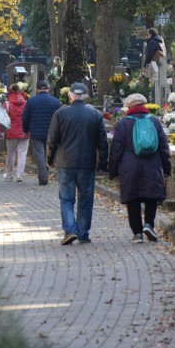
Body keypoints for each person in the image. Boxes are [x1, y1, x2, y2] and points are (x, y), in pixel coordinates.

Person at [47, 82, 108, 245]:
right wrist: (103, 163)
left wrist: (50, 159)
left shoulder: (60, 114)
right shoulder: (95, 114)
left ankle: (70, 230)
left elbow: (52, 140)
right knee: (86, 199)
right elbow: (102, 142)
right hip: (87, 162)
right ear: (86, 96)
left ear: (70, 95)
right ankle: (83, 233)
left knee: (66, 199)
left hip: (65, 162)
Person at [108, 93, 171, 244]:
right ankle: (149, 224)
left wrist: (112, 170)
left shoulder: (123, 124)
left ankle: (137, 233)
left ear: (129, 107)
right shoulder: (154, 121)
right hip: (152, 163)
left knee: (133, 199)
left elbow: (116, 150)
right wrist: (167, 168)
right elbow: (164, 147)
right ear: (144, 106)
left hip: (130, 165)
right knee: (151, 196)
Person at [21, 80, 60, 185]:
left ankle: (43, 177)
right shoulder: (56, 101)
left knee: (39, 155)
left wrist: (25, 130)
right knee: (49, 154)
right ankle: (46, 174)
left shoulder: (31, 101)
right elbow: (60, 118)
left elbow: (25, 117)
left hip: (36, 132)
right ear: (47, 89)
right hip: (51, 133)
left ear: (37, 90)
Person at [3, 83, 29, 182]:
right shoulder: (26, 103)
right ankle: (20, 175)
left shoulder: (7, 103)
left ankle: (9, 174)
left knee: (11, 153)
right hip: (24, 130)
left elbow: (3, 117)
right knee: (22, 153)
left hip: (11, 131)